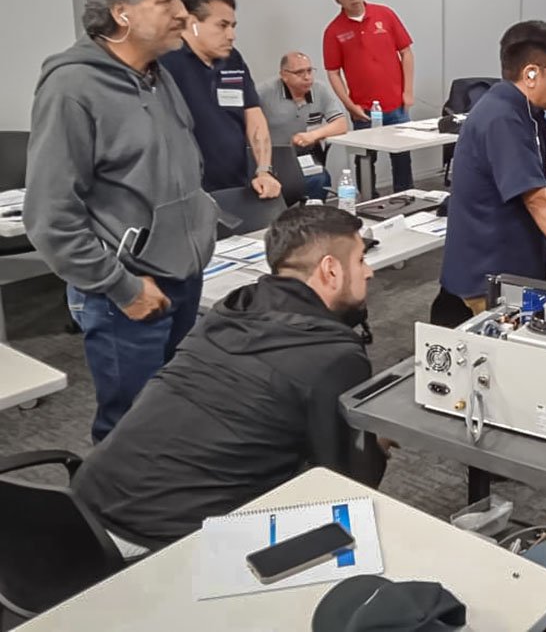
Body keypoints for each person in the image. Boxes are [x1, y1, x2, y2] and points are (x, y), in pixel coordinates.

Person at [71, 205, 386, 550]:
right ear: (331, 270)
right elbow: (345, 483)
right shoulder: (334, 355)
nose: (368, 271)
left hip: (83, 504)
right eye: (360, 260)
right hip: (160, 539)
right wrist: (377, 441)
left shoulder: (232, 308)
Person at [24, 0, 218, 441]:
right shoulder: (72, 88)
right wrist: (123, 288)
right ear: (121, 11)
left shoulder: (157, 75)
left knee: (172, 415)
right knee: (129, 432)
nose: (183, 13)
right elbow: (49, 217)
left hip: (182, 276)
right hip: (125, 293)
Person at [435, 20, 546, 322]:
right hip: (488, 279)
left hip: (517, 265)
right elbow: (538, 199)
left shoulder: (529, 113)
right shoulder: (501, 118)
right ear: (531, 73)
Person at [160, 0, 281, 199]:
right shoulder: (165, 62)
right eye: (222, 26)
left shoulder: (233, 59)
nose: (231, 35)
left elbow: (254, 115)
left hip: (234, 185)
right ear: (192, 23)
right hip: (187, 192)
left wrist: (264, 170)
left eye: (233, 26)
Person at [322, 0, 416, 192]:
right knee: (365, 159)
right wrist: (349, 105)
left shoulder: (385, 14)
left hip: (396, 104)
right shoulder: (334, 31)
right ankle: (368, 199)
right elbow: (333, 73)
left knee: (402, 158)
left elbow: (406, 52)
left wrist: (408, 92)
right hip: (363, 109)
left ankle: (407, 197)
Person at [258, 51, 349, 201]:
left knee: (320, 179)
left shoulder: (319, 90)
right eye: (299, 73)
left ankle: (312, 213)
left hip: (305, 155)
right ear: (284, 75)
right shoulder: (264, 92)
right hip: (273, 157)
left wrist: (312, 136)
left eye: (309, 71)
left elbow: (341, 124)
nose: (307, 77)